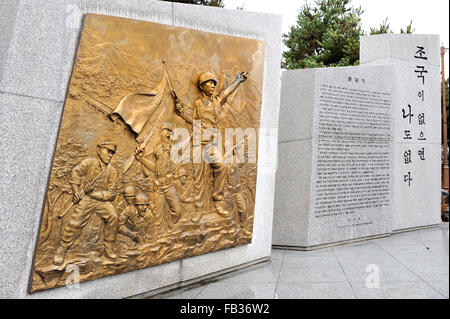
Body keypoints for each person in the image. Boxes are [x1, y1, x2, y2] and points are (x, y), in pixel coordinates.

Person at [175, 71, 248, 219]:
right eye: (210, 83)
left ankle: (218, 200)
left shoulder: (217, 101)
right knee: (198, 177)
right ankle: (198, 210)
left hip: (211, 144)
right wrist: (182, 113)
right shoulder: (197, 104)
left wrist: (238, 81)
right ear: (202, 86)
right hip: (198, 144)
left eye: (214, 83)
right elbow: (193, 121)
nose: (213, 85)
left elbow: (226, 92)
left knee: (221, 166)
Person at [53, 141, 119, 266]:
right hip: (86, 199)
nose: (110, 155)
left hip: (100, 200)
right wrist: (76, 191)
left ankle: (109, 246)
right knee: (76, 222)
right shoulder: (89, 163)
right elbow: (75, 172)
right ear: (98, 150)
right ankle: (62, 249)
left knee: (113, 216)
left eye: (112, 153)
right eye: (107, 151)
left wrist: (93, 193)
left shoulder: (112, 171)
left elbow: (112, 194)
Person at [134, 122, 181, 236]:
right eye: (166, 130)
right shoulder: (158, 149)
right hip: (159, 186)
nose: (168, 133)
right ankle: (159, 236)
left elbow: (175, 171)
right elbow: (155, 168)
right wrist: (142, 159)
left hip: (169, 186)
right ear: (161, 133)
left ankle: (170, 229)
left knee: (177, 211)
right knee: (158, 214)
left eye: (170, 131)